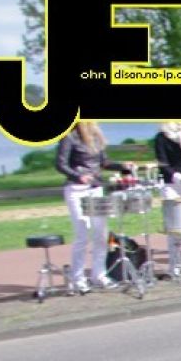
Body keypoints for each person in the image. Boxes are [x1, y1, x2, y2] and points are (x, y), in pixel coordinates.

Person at [54, 121, 134, 293]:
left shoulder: (95, 137)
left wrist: (122, 166)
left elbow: (104, 162)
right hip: (77, 190)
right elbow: (61, 164)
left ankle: (99, 274)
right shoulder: (69, 137)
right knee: (82, 234)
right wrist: (78, 176)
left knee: (101, 234)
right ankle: (78, 278)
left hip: (95, 188)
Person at [154, 121, 181, 277]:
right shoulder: (161, 137)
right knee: (175, 227)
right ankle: (175, 265)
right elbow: (163, 164)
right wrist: (179, 177)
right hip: (171, 184)